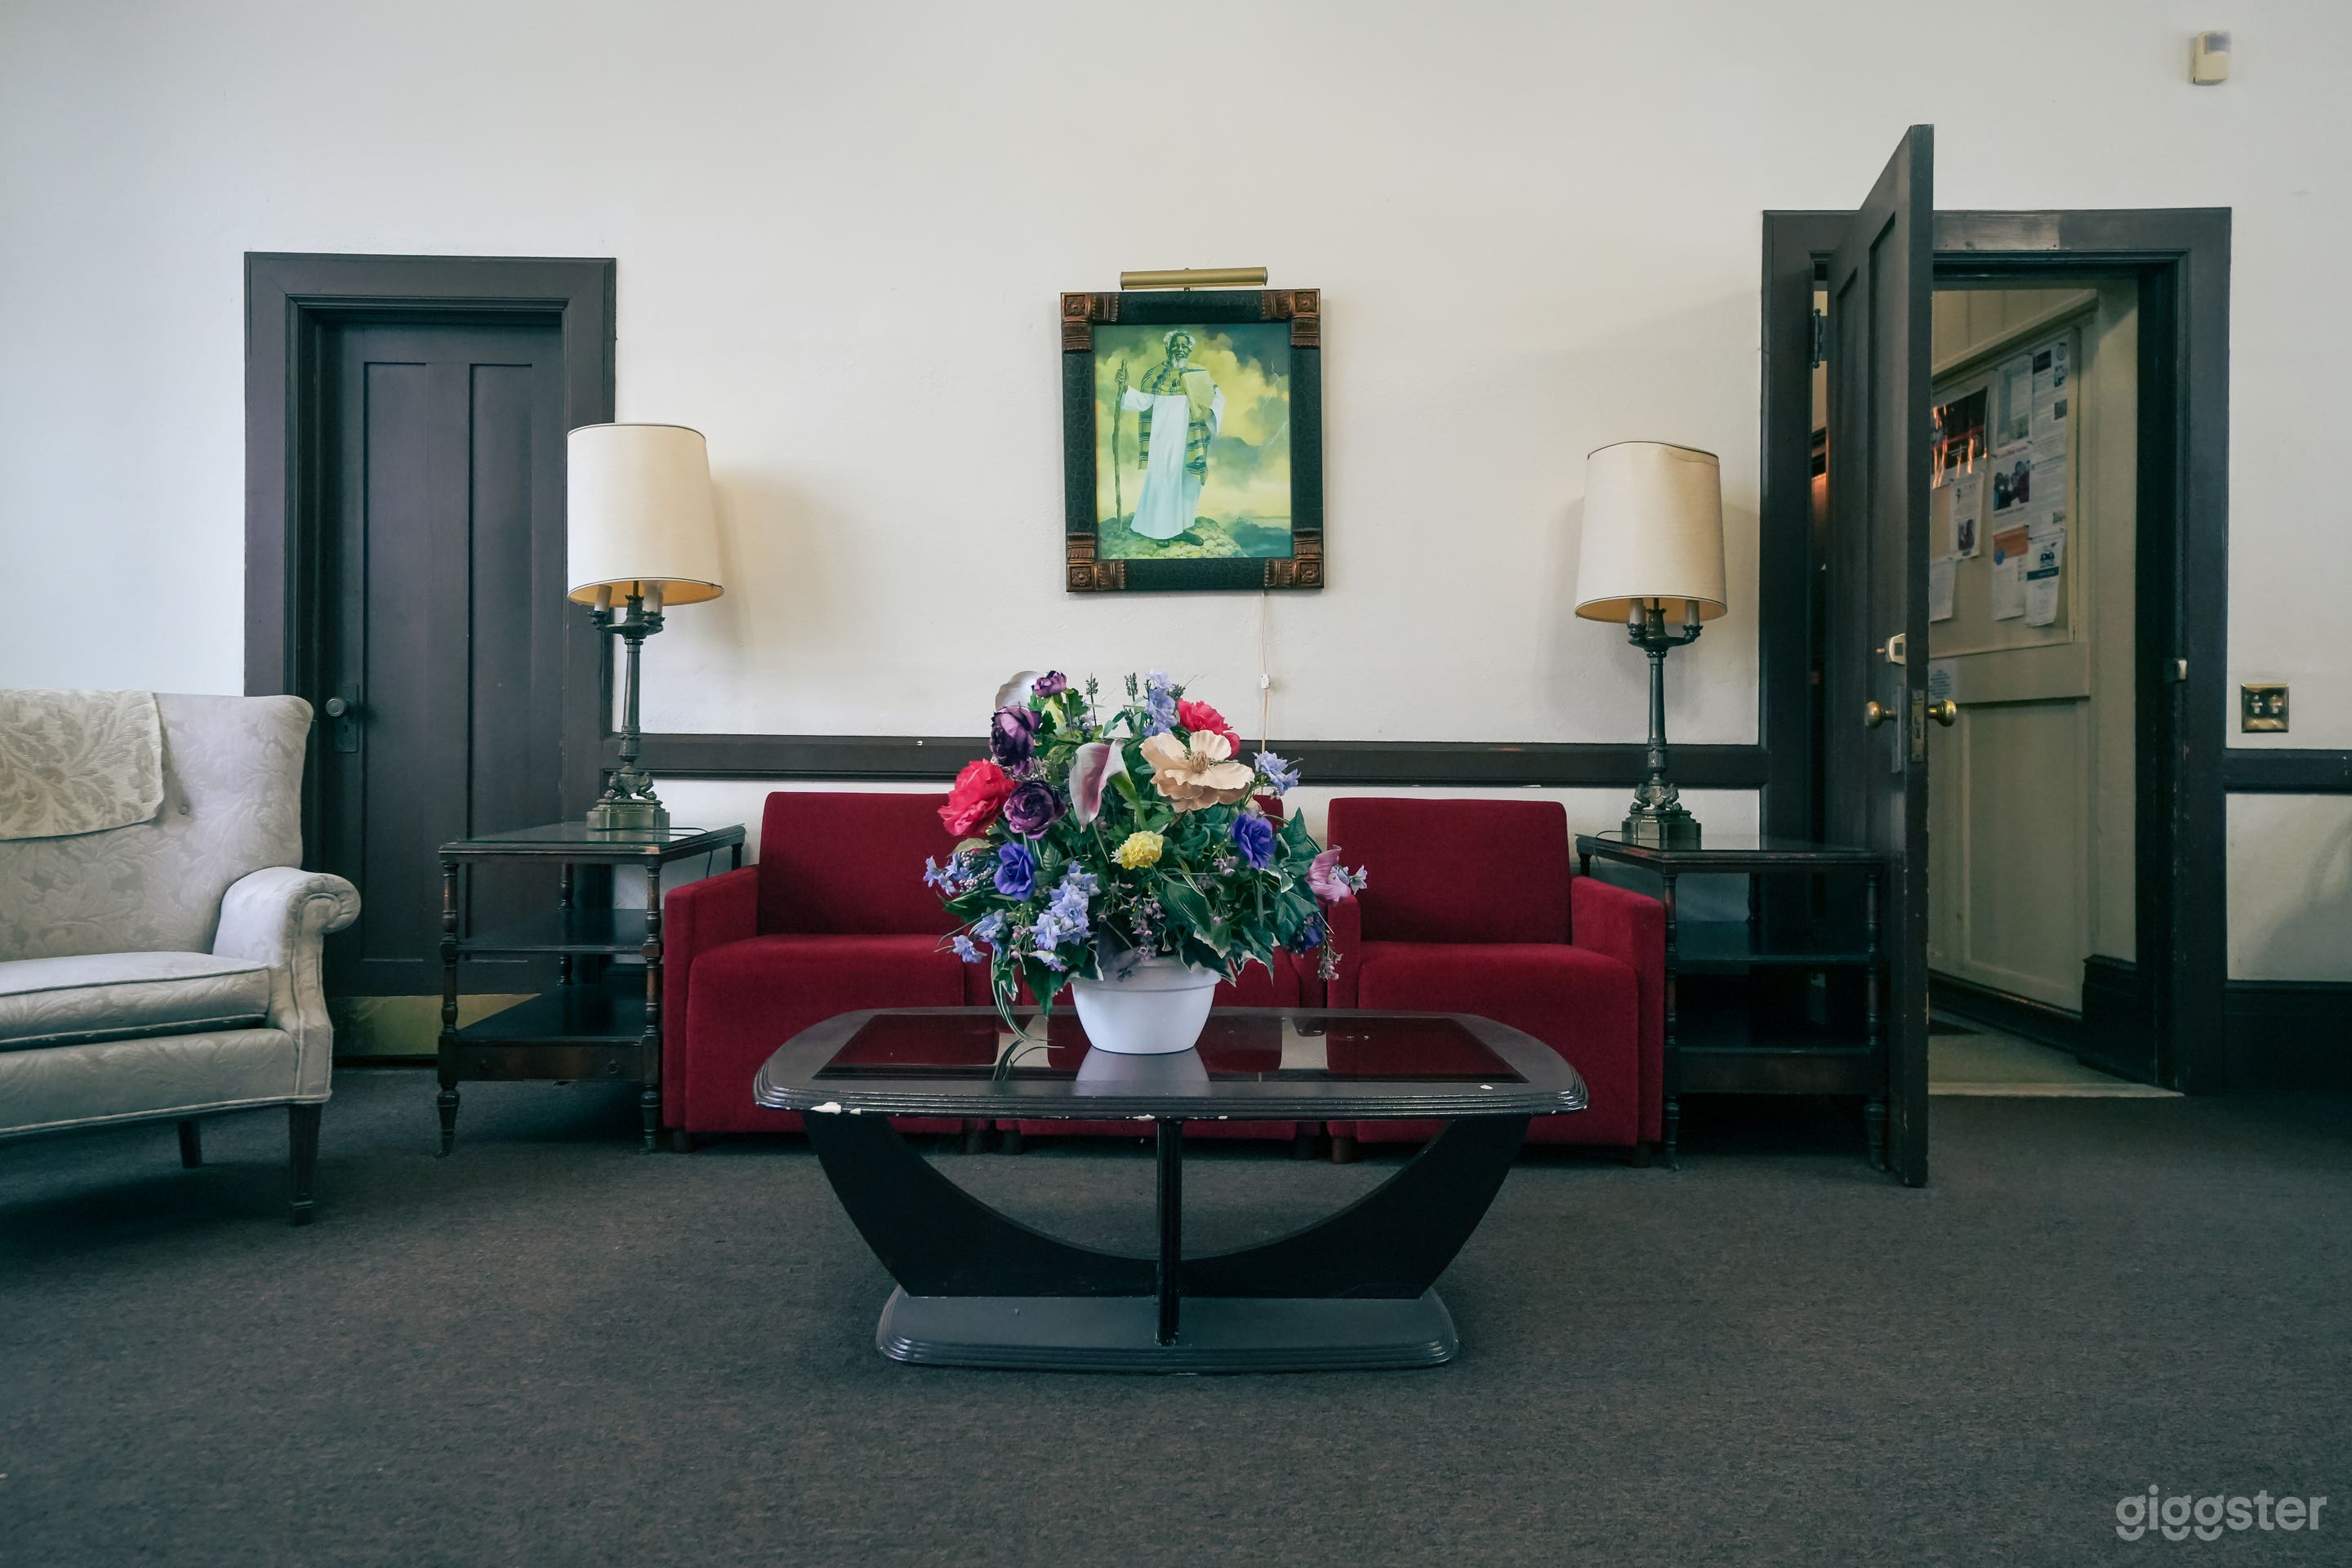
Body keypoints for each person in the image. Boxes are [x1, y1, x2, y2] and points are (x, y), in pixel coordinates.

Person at [1116, 330, 1224, 541]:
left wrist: (1208, 412)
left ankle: (1180, 529)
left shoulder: (1199, 374)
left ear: (1190, 350)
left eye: (1184, 346)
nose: (1180, 349)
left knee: (1187, 482)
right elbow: (1144, 402)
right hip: (1162, 439)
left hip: (1191, 438)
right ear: (1167, 348)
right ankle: (1161, 532)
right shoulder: (1155, 374)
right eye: (1175, 345)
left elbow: (1218, 397)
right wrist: (1124, 388)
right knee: (1163, 481)